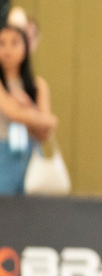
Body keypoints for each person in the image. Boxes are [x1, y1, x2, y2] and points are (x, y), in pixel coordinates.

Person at [0, 24, 57, 194]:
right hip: (3, 151)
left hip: (30, 151)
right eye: (2, 43)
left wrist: (29, 109)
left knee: (31, 211)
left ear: (26, 47)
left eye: (15, 43)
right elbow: (14, 114)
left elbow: (45, 131)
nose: (7, 49)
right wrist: (41, 117)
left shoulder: (38, 85)